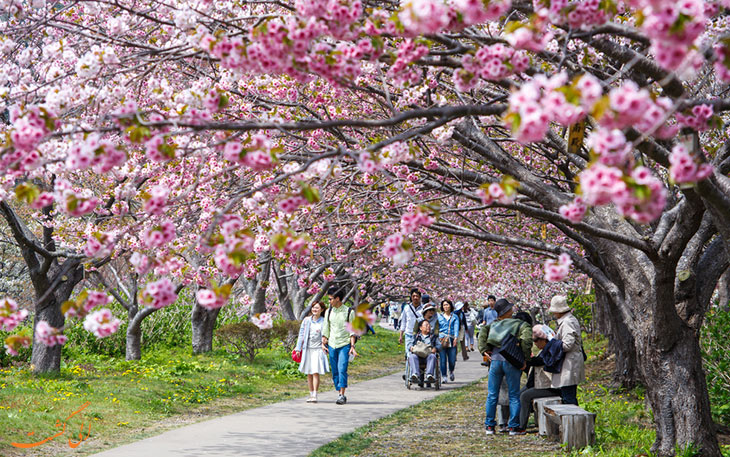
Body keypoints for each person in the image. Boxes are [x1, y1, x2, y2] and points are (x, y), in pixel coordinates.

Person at [479, 298, 532, 436]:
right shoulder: (520, 325)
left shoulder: (492, 325)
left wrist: (483, 349)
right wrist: (524, 360)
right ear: (508, 311)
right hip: (512, 361)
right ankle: (513, 426)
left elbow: (481, 334)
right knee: (514, 395)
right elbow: (527, 341)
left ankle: (489, 426)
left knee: (492, 395)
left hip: (495, 361)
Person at [515, 324, 561, 434]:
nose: (535, 344)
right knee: (519, 394)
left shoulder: (550, 351)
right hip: (541, 384)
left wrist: (527, 361)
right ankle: (515, 423)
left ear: (544, 339)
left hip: (551, 387)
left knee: (525, 396)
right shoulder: (545, 349)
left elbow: (540, 362)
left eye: (536, 340)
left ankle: (521, 426)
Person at [322, 287, 357, 405]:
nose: (329, 301)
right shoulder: (328, 312)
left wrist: (352, 346)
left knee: (342, 368)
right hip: (332, 344)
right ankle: (338, 389)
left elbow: (352, 331)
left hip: (344, 344)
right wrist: (323, 342)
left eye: (331, 299)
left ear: (337, 299)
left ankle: (342, 394)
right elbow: (326, 328)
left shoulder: (348, 312)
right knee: (335, 370)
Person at [548, 295, 585, 406]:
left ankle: (575, 422)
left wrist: (553, 343)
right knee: (568, 395)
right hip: (569, 362)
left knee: (568, 397)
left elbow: (567, 344)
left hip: (569, 363)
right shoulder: (569, 320)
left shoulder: (567, 322)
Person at [294, 301, 329, 403]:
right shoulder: (306, 320)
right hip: (307, 349)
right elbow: (301, 335)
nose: (315, 310)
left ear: (322, 310)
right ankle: (310, 394)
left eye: (317, 308)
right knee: (309, 373)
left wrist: (325, 343)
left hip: (318, 350)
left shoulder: (324, 321)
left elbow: (326, 334)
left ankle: (315, 395)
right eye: (313, 307)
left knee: (315, 372)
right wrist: (298, 348)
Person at [408, 319, 442, 386]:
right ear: (420, 328)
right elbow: (409, 344)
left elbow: (439, 345)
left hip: (428, 356)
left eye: (429, 325)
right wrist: (410, 347)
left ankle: (429, 375)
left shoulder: (433, 337)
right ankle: (415, 375)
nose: (428, 327)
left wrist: (436, 348)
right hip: (417, 356)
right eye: (426, 325)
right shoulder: (416, 337)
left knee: (433, 356)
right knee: (412, 356)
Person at [437, 299, 459, 383]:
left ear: (450, 306)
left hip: (452, 338)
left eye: (447, 305)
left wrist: (456, 338)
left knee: (452, 359)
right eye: (444, 305)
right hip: (442, 339)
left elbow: (456, 327)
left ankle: (451, 371)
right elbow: (437, 328)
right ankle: (444, 376)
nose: (446, 307)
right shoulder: (439, 316)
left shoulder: (455, 317)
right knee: (442, 359)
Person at [398, 288, 423, 354]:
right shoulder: (407, 308)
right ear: (411, 297)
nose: (415, 298)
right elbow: (403, 322)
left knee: (418, 355)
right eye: (413, 296)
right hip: (409, 334)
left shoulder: (423, 309)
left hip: (420, 335)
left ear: (420, 297)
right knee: (409, 354)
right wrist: (401, 335)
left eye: (417, 296)